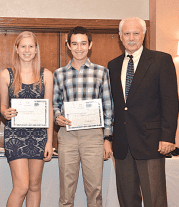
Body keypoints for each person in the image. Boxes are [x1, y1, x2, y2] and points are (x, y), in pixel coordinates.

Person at [108, 17, 178, 207]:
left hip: (152, 142)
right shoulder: (113, 65)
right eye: (127, 33)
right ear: (120, 36)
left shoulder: (161, 60)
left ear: (144, 35)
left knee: (155, 199)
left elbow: (170, 102)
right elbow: (115, 105)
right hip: (123, 145)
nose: (131, 38)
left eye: (136, 33)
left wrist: (168, 136)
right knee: (127, 200)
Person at [53, 26, 113, 207]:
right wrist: (57, 116)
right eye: (75, 44)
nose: (79, 48)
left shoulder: (102, 72)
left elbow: (108, 107)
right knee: (66, 190)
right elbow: (55, 104)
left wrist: (107, 138)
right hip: (67, 134)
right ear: (68, 46)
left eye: (83, 43)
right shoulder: (59, 73)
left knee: (95, 190)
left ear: (90, 45)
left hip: (93, 136)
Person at [0, 31, 53, 207]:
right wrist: (5, 112)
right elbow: (2, 106)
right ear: (16, 49)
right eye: (23, 46)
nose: (27, 50)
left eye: (31, 46)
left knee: (35, 187)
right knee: (21, 187)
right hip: (15, 136)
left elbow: (49, 110)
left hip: (39, 137)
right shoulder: (6, 75)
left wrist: (49, 141)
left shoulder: (47, 75)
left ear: (36, 50)